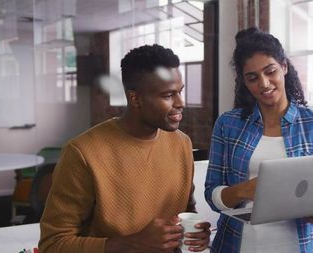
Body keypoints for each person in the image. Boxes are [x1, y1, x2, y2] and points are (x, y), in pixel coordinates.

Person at [39, 44, 211, 253]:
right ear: (135, 98)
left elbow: (185, 211)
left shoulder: (182, 143)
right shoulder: (82, 153)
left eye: (180, 92)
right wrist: (129, 244)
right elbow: (53, 244)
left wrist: (196, 232)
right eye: (168, 95)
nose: (180, 102)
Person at [204, 27, 313, 253]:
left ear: (284, 67)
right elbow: (211, 195)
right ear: (245, 82)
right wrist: (243, 190)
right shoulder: (228, 124)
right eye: (253, 78)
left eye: (270, 71)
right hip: (236, 244)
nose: (264, 84)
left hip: (296, 245)